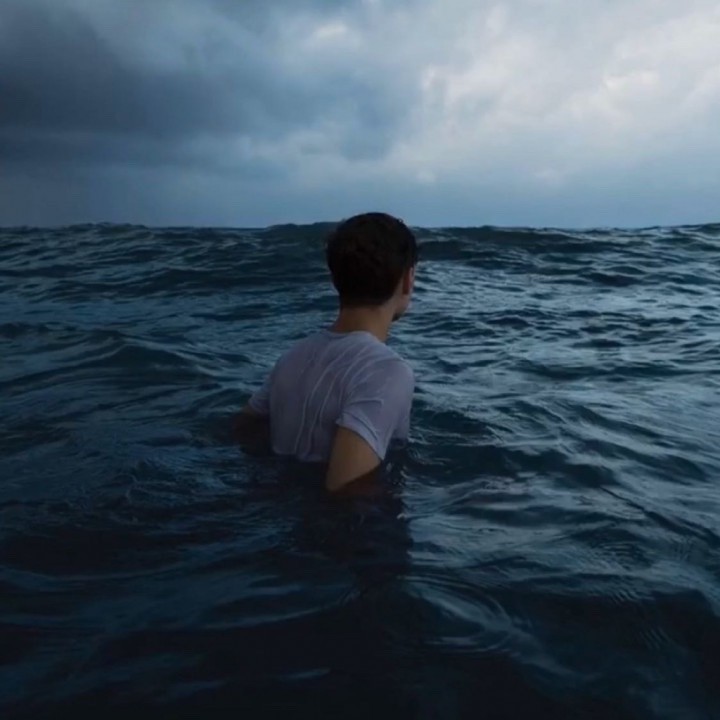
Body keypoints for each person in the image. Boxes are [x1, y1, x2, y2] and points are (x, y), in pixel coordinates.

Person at [235, 212, 418, 493]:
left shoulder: (292, 356)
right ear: (407, 280)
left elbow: (243, 427)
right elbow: (345, 491)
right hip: (323, 517)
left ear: (334, 279)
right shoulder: (387, 373)